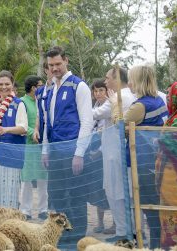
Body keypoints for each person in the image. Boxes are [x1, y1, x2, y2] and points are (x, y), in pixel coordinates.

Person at [42, 46, 94, 249]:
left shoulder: (79, 86)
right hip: (54, 153)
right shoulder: (50, 88)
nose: (54, 68)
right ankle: (62, 238)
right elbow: (47, 123)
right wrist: (45, 150)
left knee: (76, 197)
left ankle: (78, 240)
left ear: (66, 61)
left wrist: (79, 153)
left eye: (57, 64)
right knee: (56, 196)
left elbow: (87, 122)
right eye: (50, 65)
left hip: (73, 154)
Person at [111, 65, 168, 248]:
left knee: (146, 208)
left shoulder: (140, 106)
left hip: (141, 162)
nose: (130, 83)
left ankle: (150, 246)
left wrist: (115, 107)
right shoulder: (159, 101)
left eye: (132, 79)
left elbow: (119, 127)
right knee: (153, 208)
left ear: (139, 82)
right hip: (155, 159)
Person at [93, 67, 137, 241]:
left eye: (107, 78)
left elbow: (95, 113)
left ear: (117, 79)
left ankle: (123, 233)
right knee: (121, 192)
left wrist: (76, 109)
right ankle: (126, 231)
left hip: (115, 153)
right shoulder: (126, 96)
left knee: (117, 192)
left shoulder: (119, 97)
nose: (105, 82)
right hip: (115, 151)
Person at [0, 70, 28, 208]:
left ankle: (10, 224)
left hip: (12, 154)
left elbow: (23, 128)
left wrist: (6, 130)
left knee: (10, 191)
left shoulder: (18, 104)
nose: (4, 87)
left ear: (13, 84)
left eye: (7, 84)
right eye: (1, 84)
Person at [156, 81, 177, 248]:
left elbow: (172, 149)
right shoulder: (175, 118)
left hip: (173, 184)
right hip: (173, 182)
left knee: (174, 227)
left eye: (170, 95)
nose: (168, 99)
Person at [19, 75, 48, 220]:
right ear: (33, 88)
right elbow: (22, 124)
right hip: (28, 147)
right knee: (27, 180)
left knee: (44, 179)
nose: (43, 88)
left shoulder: (42, 101)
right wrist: (33, 133)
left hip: (42, 147)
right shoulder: (22, 102)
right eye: (40, 85)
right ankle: (26, 210)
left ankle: (43, 209)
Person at [89, 79, 116, 235]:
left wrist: (98, 151)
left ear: (107, 91)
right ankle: (99, 222)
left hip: (105, 152)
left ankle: (114, 223)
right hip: (94, 154)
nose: (98, 93)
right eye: (95, 91)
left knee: (109, 190)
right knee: (97, 190)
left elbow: (105, 132)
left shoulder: (109, 105)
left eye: (101, 90)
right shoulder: (95, 106)